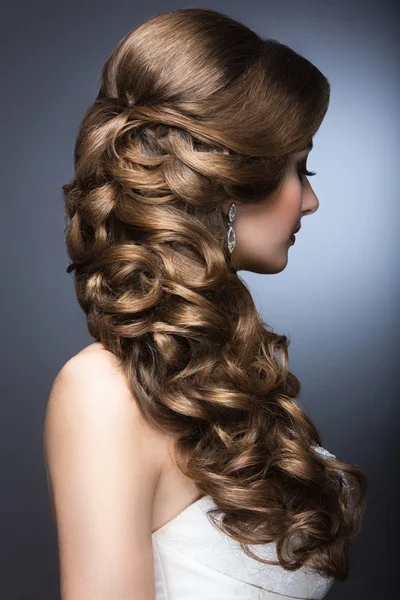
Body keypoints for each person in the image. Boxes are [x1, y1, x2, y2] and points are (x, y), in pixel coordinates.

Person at [43, 8, 368, 600]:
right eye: (300, 168)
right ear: (224, 184)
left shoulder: (226, 376)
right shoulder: (102, 392)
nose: (312, 200)